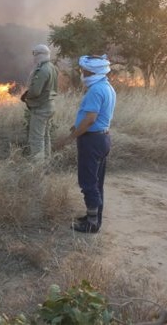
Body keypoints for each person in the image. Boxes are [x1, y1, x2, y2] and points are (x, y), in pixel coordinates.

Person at [55, 55, 116, 233]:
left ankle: (91, 223)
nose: (82, 74)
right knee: (97, 182)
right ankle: (94, 217)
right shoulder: (107, 87)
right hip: (102, 138)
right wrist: (77, 125)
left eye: (85, 71)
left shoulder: (95, 90)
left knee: (88, 182)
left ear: (93, 72)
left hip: (92, 140)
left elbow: (90, 119)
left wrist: (70, 137)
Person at [20, 44, 58, 160]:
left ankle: (38, 166)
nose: (34, 58)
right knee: (45, 136)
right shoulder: (52, 67)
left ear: (39, 55)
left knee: (36, 139)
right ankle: (47, 161)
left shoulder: (42, 70)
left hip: (41, 107)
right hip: (49, 105)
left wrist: (26, 96)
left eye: (35, 55)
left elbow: (36, 91)